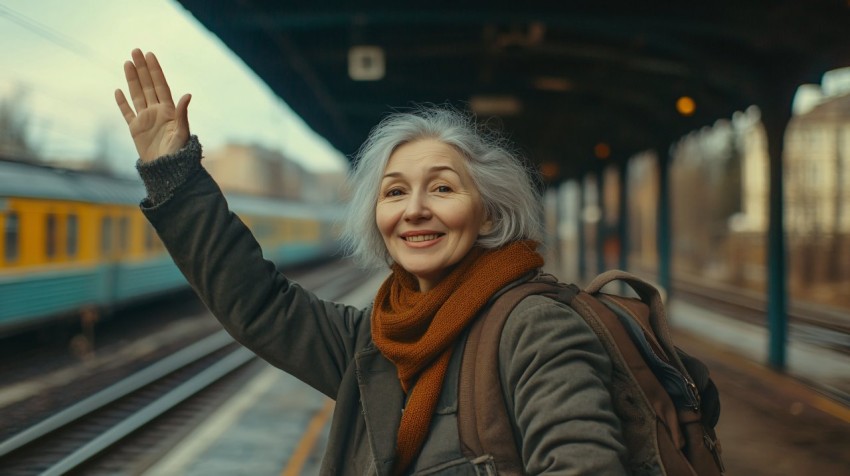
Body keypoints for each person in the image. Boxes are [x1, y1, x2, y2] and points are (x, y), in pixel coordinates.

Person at [115, 48, 627, 475]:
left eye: (443, 188)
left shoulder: (536, 328)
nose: (415, 209)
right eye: (395, 192)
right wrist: (174, 177)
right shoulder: (374, 344)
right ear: (378, 219)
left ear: (490, 215)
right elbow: (257, 302)